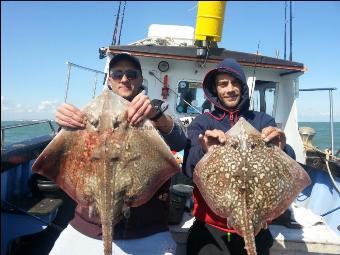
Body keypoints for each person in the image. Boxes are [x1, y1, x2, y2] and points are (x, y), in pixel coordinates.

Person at [50, 53, 187, 255]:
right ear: (109, 80)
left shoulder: (155, 110)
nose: (124, 79)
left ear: (140, 79)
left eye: (131, 74)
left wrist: (156, 116)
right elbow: (64, 153)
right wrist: (64, 124)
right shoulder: (90, 113)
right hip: (88, 225)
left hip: (146, 229)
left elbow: (180, 140)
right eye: (117, 74)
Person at [183, 58, 296, 255]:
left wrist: (282, 148)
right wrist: (204, 150)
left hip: (257, 227)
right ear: (215, 89)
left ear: (243, 87)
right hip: (211, 231)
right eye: (223, 84)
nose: (230, 89)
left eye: (235, 83)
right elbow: (188, 168)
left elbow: (289, 167)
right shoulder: (203, 123)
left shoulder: (262, 120)